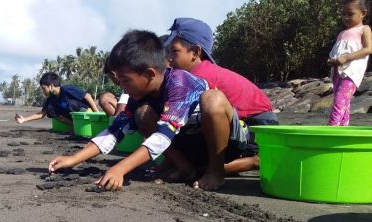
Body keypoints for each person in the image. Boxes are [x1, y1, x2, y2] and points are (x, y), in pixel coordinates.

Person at [49, 30, 248, 191]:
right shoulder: (140, 96)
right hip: (192, 144)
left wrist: (120, 168)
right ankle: (184, 168)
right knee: (142, 113)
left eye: (125, 81)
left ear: (149, 74)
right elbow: (114, 131)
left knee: (212, 100)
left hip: (225, 145)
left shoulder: (179, 83)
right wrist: (74, 159)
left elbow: (162, 137)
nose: (122, 88)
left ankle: (215, 170)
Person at [164, 17, 278, 176]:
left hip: (258, 129)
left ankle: (252, 160)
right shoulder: (194, 73)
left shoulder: (200, 77)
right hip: (241, 123)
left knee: (198, 166)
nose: (169, 58)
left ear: (195, 52)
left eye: (174, 51)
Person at [328, 0, 372, 126]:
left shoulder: (364, 29)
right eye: (343, 14)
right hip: (337, 72)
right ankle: (343, 127)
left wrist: (346, 58)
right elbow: (337, 51)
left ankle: (332, 127)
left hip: (351, 72)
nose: (346, 17)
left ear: (363, 13)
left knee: (339, 100)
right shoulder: (342, 33)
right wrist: (331, 60)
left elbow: (368, 49)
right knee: (344, 103)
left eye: (350, 14)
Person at [15, 72, 99, 125]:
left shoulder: (67, 89)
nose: (43, 91)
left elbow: (88, 96)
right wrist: (24, 119)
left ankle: (83, 124)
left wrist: (97, 114)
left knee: (71, 104)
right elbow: (42, 114)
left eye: (44, 88)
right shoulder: (51, 99)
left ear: (51, 86)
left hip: (87, 114)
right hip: (75, 120)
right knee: (50, 109)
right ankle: (74, 127)